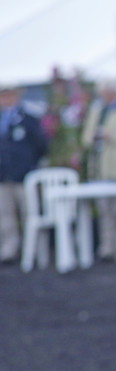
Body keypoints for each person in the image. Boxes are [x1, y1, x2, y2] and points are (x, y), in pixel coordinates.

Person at [81, 81, 116, 264]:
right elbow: (86, 137)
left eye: (107, 92)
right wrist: (94, 136)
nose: (104, 95)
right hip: (100, 170)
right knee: (105, 212)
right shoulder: (97, 111)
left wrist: (110, 135)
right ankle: (108, 248)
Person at [0, 84, 48, 264]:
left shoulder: (28, 119)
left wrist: (28, 163)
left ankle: (34, 249)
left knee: (30, 212)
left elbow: (41, 145)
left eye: (9, 95)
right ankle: (9, 248)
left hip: (24, 174)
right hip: (3, 175)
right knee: (5, 215)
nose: (6, 100)